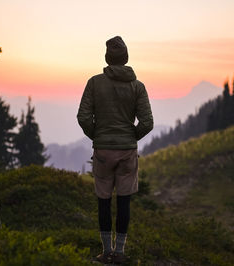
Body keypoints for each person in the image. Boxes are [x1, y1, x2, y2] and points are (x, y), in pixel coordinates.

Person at [77, 36, 153, 264]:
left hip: (102, 151)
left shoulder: (94, 82)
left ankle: (105, 251)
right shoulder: (137, 86)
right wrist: (130, 138)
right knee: (124, 201)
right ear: (126, 58)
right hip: (127, 151)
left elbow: (82, 116)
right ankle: (120, 253)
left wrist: (98, 136)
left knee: (103, 200)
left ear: (107, 58)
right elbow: (147, 123)